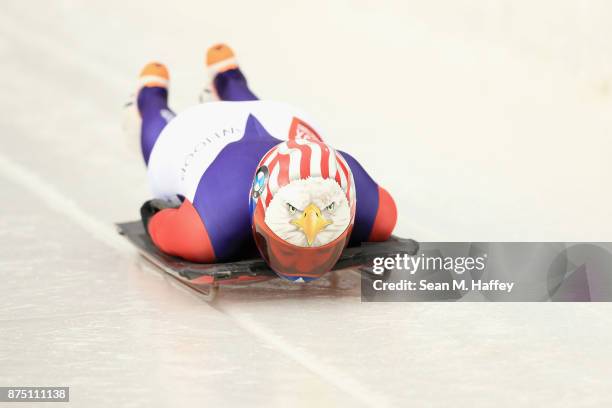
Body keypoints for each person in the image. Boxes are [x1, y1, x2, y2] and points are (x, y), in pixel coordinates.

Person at [126, 44, 397, 280]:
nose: (304, 266)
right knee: (162, 152)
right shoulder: (208, 230)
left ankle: (227, 76)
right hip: (199, 132)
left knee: (259, 114)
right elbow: (156, 217)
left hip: (279, 120)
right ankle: (151, 98)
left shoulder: (377, 212)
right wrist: (166, 217)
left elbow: (157, 219)